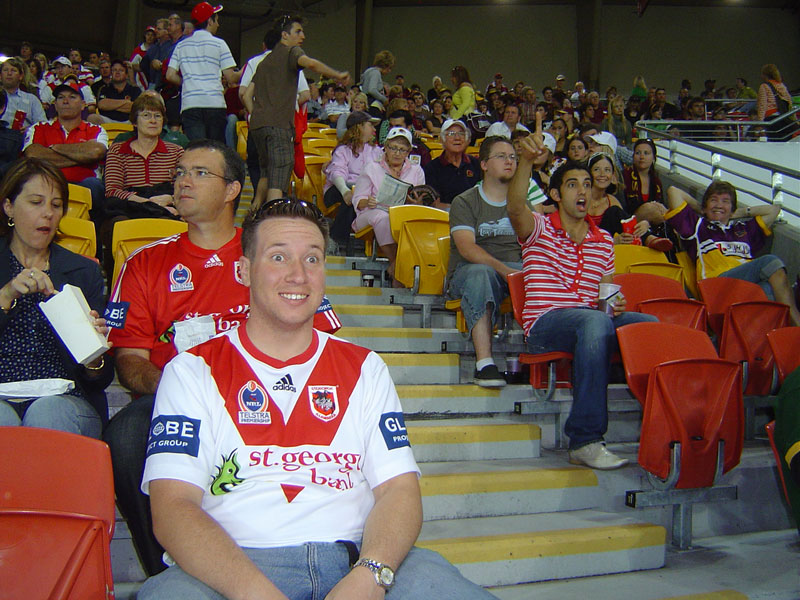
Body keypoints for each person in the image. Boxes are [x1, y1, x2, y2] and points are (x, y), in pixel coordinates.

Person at [135, 197, 497, 599]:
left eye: (312, 259)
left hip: (357, 560)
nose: (298, 276)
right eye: (278, 257)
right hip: (231, 568)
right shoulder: (191, 370)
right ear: (243, 271)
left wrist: (370, 576)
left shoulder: (365, 367)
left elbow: (399, 491)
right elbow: (172, 509)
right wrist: (257, 593)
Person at [103, 138, 342, 576]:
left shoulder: (272, 254)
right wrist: (178, 385)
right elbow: (130, 357)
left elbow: (320, 341)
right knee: (128, 432)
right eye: (178, 173)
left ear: (233, 190)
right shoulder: (144, 263)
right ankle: (172, 569)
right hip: (180, 400)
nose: (182, 181)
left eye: (198, 172)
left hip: (269, 393)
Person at [508, 132, 658, 469]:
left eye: (587, 184)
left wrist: (615, 304)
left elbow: (607, 296)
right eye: (573, 184)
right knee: (594, 321)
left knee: (649, 326)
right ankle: (585, 439)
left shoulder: (604, 240)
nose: (582, 190)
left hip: (592, 320)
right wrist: (528, 162)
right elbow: (516, 205)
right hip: (546, 323)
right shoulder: (539, 228)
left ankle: (664, 427)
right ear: (556, 194)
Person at [0, 157, 113, 436]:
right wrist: (6, 295)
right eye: (36, 202)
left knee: (47, 412)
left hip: (65, 399)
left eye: (56, 204)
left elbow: (101, 377)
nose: (48, 213)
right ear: (9, 207)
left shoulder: (83, 271)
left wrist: (94, 355)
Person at [243, 14, 350, 208]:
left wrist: (255, 116)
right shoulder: (292, 52)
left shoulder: (264, 62)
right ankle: (272, 222)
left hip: (258, 126)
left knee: (265, 174)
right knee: (278, 177)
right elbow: (310, 64)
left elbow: (246, 95)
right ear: (285, 35)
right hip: (279, 125)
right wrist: (337, 75)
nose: (303, 36)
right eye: (298, 31)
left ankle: (253, 215)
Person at [446, 136, 523, 388]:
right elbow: (467, 248)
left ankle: (538, 358)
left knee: (545, 273)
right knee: (481, 273)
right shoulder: (465, 201)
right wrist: (505, 270)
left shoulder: (521, 204)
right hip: (470, 273)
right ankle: (484, 363)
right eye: (501, 156)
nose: (509, 161)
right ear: (485, 164)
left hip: (513, 269)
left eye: (512, 157)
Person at [666, 182, 800, 326]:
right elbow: (673, 191)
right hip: (716, 286)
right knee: (771, 262)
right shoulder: (697, 226)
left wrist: (740, 213)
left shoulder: (743, 230)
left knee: (768, 290)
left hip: (746, 285)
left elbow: (773, 210)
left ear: (732, 209)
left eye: (725, 201)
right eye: (713, 200)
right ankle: (796, 324)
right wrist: (702, 209)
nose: (718, 205)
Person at [101, 93, 184, 279]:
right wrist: (149, 203)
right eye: (146, 115)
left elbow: (184, 187)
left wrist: (171, 199)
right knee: (116, 225)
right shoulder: (118, 149)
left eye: (157, 116)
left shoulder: (176, 151)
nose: (153, 121)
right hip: (129, 206)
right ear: (135, 122)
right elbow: (112, 190)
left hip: (166, 205)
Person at [23, 80, 107, 222]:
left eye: (72, 97)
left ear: (83, 105)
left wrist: (55, 148)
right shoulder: (39, 127)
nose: (66, 101)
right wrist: (82, 156)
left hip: (84, 185)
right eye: (61, 97)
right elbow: (33, 155)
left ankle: (94, 238)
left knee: (94, 185)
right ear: (55, 105)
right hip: (47, 183)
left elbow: (96, 152)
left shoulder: (96, 129)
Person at [351, 127, 425, 282]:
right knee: (383, 217)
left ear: (409, 151)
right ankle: (396, 264)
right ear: (386, 147)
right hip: (370, 212)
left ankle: (407, 272)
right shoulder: (372, 167)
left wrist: (417, 202)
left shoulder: (416, 170)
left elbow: (419, 197)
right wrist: (368, 201)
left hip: (403, 213)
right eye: (393, 148)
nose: (397, 153)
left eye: (402, 150)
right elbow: (358, 200)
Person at [166, 2, 237, 142]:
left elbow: (170, 75)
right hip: (215, 103)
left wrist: (186, 82)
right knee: (216, 150)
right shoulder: (219, 43)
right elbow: (231, 77)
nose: (218, 24)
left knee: (197, 149)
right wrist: (249, 68)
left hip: (190, 104)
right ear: (209, 21)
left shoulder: (181, 45)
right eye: (216, 20)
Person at [323, 111, 382, 247]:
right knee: (352, 197)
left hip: (363, 191)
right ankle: (338, 240)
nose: (374, 129)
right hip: (338, 190)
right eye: (370, 125)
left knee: (359, 196)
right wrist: (345, 191)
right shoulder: (343, 150)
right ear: (359, 127)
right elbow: (337, 172)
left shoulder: (376, 151)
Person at [423, 119, 481, 209]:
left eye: (461, 134)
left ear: (467, 140)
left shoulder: (476, 164)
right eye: (451, 134)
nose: (457, 138)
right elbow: (434, 204)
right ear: (442, 140)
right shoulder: (432, 168)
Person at [1, 57, 46, 133]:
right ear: (0, 75)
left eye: (13, 70)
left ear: (21, 76)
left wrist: (30, 129)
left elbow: (43, 124)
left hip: (21, 139)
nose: (9, 73)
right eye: (5, 70)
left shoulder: (32, 99)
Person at [91, 59, 141, 124]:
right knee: (92, 118)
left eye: (121, 70)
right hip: (107, 120)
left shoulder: (135, 90)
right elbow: (101, 105)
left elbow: (135, 108)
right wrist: (126, 102)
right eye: (114, 70)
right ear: (111, 74)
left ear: (126, 75)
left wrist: (111, 105)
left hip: (128, 121)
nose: (117, 72)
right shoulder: (104, 88)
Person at [756, 63, 795, 141]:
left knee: (774, 142)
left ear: (764, 74)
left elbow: (762, 105)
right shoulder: (782, 85)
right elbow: (789, 101)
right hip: (784, 118)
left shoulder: (764, 86)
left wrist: (760, 122)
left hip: (771, 118)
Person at [361, 50, 395, 116]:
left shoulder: (368, 71)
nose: (389, 71)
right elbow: (372, 90)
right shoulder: (376, 73)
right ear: (386, 65)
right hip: (372, 104)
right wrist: (384, 99)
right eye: (389, 68)